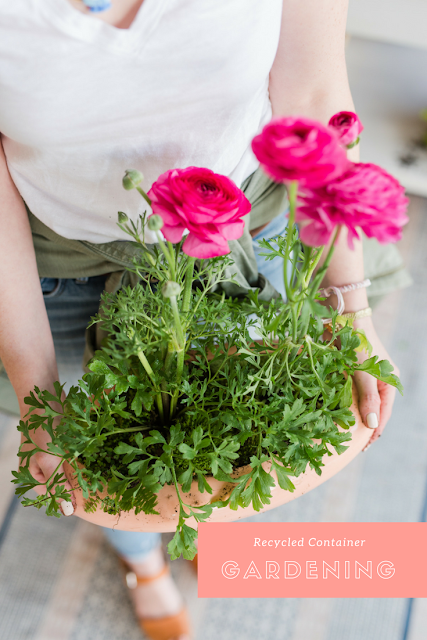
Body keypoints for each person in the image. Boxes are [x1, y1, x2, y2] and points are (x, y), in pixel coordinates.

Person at [0, 1, 399, 639]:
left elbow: (315, 90)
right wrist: (35, 385)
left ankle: (196, 528)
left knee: (245, 432)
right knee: (96, 458)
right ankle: (143, 559)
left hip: (248, 228)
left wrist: (350, 306)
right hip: (55, 270)